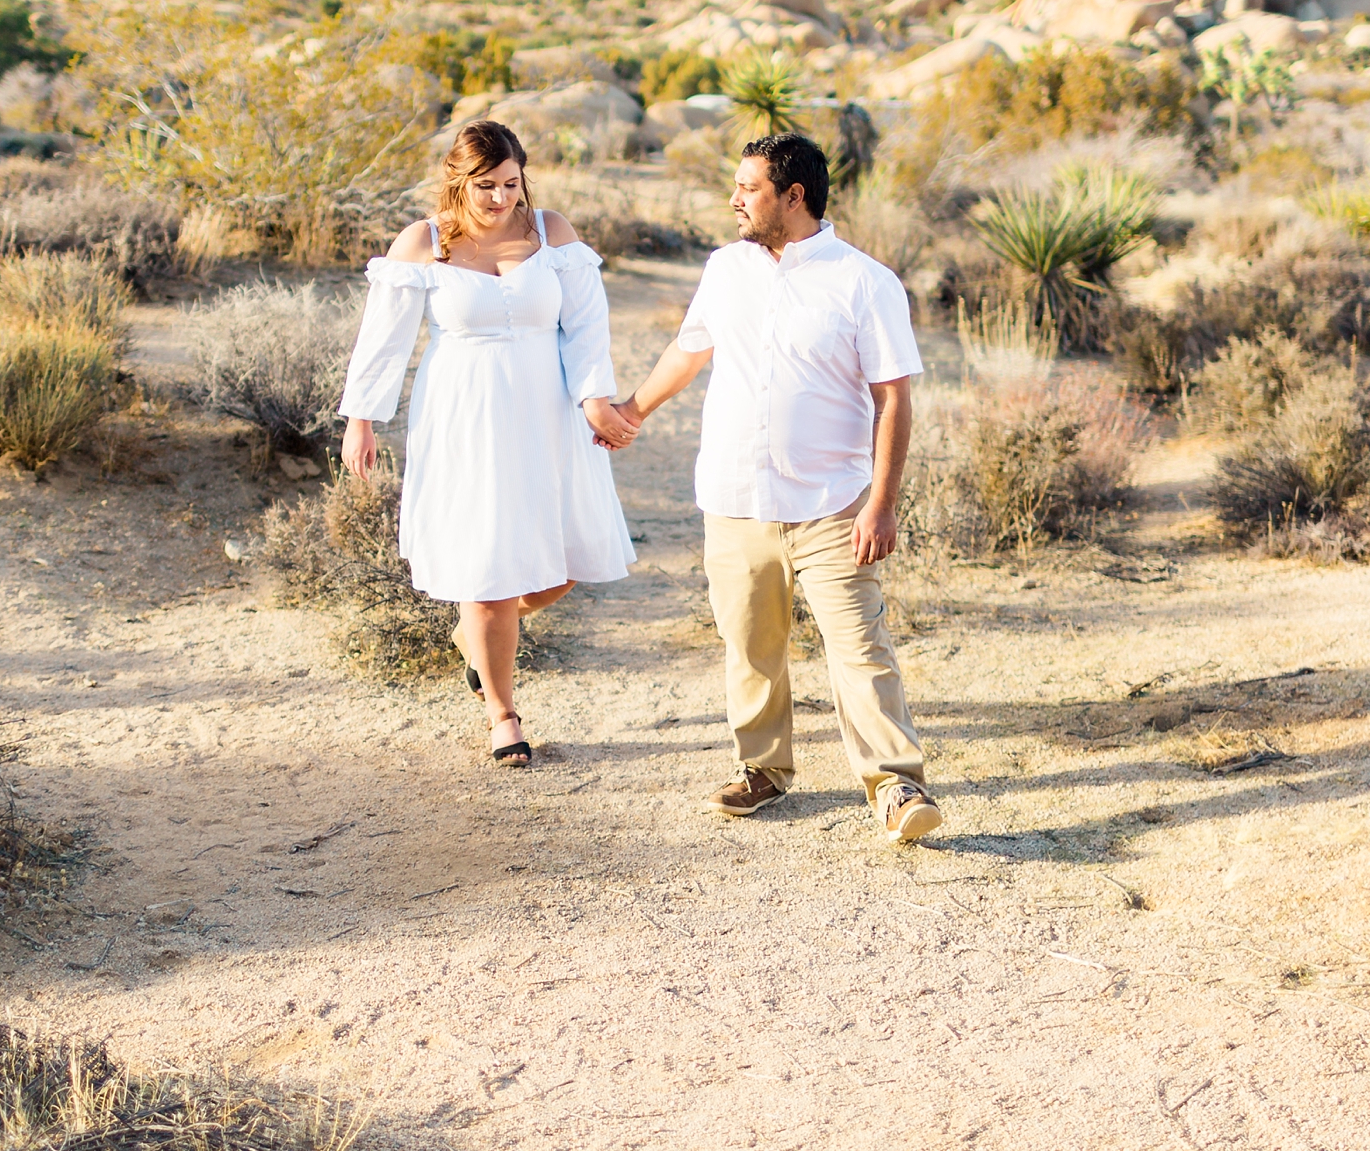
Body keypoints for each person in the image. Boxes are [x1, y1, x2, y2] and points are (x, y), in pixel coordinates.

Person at [609, 132, 943, 841]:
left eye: (747, 187)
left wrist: (881, 503)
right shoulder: (726, 268)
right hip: (734, 498)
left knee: (859, 648)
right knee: (750, 643)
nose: (733, 199)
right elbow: (689, 348)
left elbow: (894, 399)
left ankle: (896, 786)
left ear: (793, 196)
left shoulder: (865, 281)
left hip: (832, 506)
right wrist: (634, 409)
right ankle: (761, 769)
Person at [339, 120, 640, 766]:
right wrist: (360, 418)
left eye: (511, 183)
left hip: (549, 411)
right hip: (464, 415)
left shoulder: (552, 232)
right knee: (488, 574)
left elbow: (587, 324)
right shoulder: (424, 242)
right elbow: (384, 338)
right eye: (486, 186)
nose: (501, 198)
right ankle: (503, 714)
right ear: (457, 179)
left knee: (562, 566)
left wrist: (596, 396)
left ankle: (475, 633)